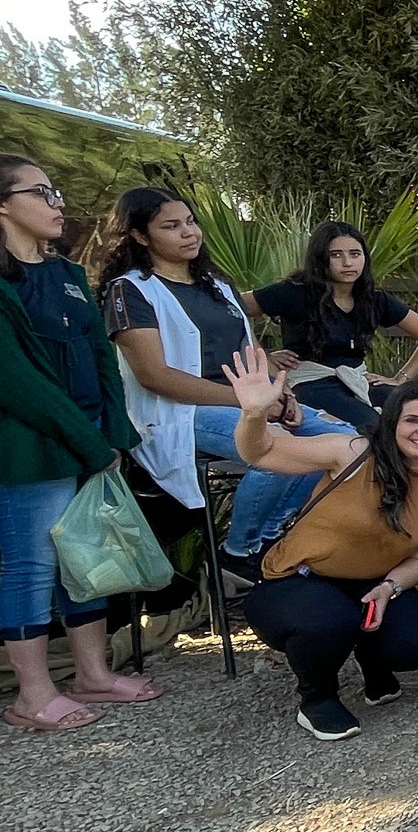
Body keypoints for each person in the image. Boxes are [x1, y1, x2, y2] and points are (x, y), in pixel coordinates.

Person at [100, 187, 355, 584]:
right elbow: (154, 377)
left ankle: (269, 538)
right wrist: (251, 403)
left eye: (190, 222)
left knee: (346, 441)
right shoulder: (130, 290)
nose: (189, 232)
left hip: (248, 402)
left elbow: (251, 348)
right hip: (180, 413)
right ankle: (236, 555)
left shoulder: (216, 285)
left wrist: (282, 393)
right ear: (139, 236)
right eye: (171, 226)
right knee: (278, 451)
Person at [0, 156, 164, 730]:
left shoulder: (68, 275)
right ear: (3, 205)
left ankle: (93, 674)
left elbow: (102, 361)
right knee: (30, 566)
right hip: (30, 449)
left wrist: (115, 434)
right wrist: (89, 444)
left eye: (57, 191)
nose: (58, 203)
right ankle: (32, 695)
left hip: (90, 441)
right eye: (42, 193)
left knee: (87, 556)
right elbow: (18, 384)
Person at [230, 351, 418, 740]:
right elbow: (260, 452)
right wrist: (254, 414)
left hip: (369, 584)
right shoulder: (352, 451)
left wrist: (389, 588)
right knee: (330, 621)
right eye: (412, 420)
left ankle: (370, 656)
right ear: (392, 423)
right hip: (299, 580)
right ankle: (317, 697)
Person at [245, 221, 418, 433]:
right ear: (320, 259)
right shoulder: (295, 292)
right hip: (310, 382)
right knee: (373, 427)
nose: (348, 263)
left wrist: (400, 379)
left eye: (355, 254)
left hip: (356, 379)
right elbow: (232, 308)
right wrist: (265, 357)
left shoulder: (373, 298)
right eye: (336, 255)